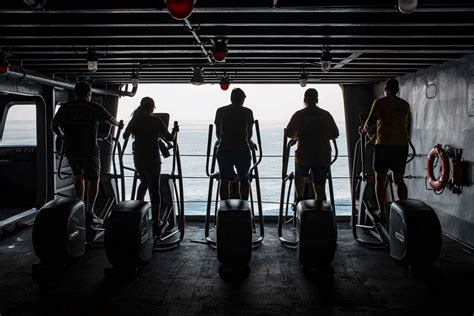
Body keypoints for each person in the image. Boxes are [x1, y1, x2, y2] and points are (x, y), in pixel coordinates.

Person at [52, 81, 122, 226]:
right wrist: (118, 124)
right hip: (89, 150)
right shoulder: (94, 107)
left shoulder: (66, 107)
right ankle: (89, 211)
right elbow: (112, 120)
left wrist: (62, 135)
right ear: (89, 93)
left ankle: (80, 207)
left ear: (76, 93)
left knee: (79, 176)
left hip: (72, 149)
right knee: (94, 179)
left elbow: (54, 125)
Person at [123, 97, 178, 237]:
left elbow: (124, 135)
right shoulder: (156, 121)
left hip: (139, 158)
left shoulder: (135, 119)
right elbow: (170, 138)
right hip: (153, 158)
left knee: (143, 182)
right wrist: (175, 131)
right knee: (154, 188)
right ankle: (156, 221)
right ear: (152, 107)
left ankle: (137, 214)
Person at [363, 78, 410, 222]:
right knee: (398, 179)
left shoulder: (380, 102)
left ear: (386, 89)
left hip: (384, 144)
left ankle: (382, 211)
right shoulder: (404, 104)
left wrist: (367, 131)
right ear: (397, 90)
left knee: (380, 178)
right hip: (401, 145)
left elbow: (369, 125)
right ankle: (404, 210)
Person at [285, 88, 339, 202]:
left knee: (299, 175)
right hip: (322, 156)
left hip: (303, 156)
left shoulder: (299, 115)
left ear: (304, 100)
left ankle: (299, 198)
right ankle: (320, 205)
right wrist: (322, 136)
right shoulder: (325, 115)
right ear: (317, 100)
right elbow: (335, 133)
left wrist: (297, 136)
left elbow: (288, 133)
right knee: (320, 185)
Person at [214, 88, 254, 200]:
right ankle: (244, 204)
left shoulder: (220, 111)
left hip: (224, 148)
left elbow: (218, 133)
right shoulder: (247, 112)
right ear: (242, 99)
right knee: (244, 179)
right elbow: (249, 134)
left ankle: (224, 205)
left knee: (224, 180)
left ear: (231, 98)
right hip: (242, 148)